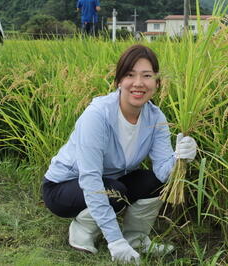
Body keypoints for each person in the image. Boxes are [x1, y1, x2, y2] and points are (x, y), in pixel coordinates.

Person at [42, 44, 197, 263]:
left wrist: (180, 158)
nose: (138, 83)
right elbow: (90, 179)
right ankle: (82, 230)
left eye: (147, 76)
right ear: (119, 81)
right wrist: (115, 241)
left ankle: (136, 239)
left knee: (151, 181)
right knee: (114, 191)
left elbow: (163, 173)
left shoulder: (156, 117)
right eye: (130, 75)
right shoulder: (98, 114)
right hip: (63, 187)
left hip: (111, 183)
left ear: (157, 83)